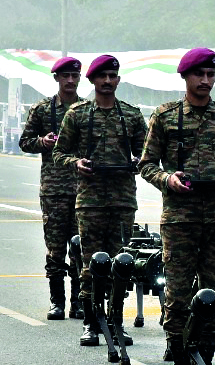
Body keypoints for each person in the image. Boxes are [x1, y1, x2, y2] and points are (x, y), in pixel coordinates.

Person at [138, 48, 215, 365]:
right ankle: (182, 362)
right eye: (199, 75)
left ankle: (206, 362)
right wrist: (168, 179)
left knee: (213, 292)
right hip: (180, 218)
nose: (205, 81)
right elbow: (146, 165)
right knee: (179, 292)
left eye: (210, 75)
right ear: (185, 77)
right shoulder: (166, 116)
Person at [54, 55, 147, 346]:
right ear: (92, 80)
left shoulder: (131, 115)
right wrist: (76, 162)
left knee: (121, 263)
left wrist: (139, 160)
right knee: (92, 263)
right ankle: (92, 322)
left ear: (118, 80)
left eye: (113, 76)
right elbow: (59, 154)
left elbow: (148, 153)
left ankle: (116, 320)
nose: (108, 81)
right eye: (102, 76)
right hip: (90, 200)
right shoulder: (78, 114)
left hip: (122, 201)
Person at [20, 57, 82, 321]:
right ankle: (57, 301)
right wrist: (42, 142)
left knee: (80, 248)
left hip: (83, 189)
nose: (70, 80)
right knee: (55, 249)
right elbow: (24, 142)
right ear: (56, 78)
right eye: (65, 76)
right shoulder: (43, 109)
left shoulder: (87, 110)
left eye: (74, 76)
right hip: (54, 190)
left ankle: (79, 302)